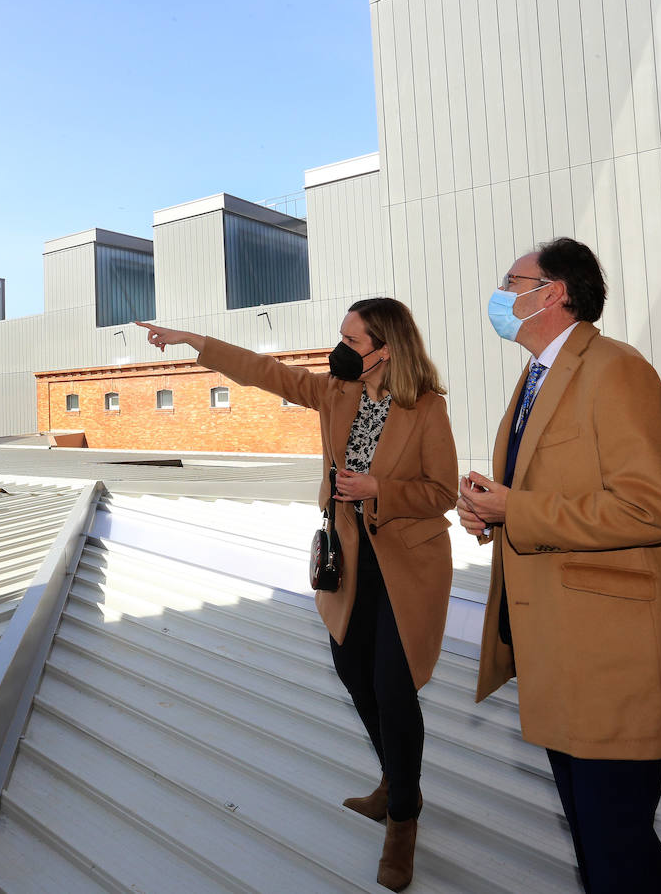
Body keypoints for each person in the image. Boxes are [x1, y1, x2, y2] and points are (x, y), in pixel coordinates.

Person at [137, 299, 457, 892]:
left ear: (385, 348)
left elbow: (441, 493)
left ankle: (404, 820)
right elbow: (265, 372)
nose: (338, 349)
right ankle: (393, 780)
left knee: (393, 683)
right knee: (352, 668)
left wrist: (378, 487)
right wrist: (192, 340)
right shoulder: (337, 391)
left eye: (351, 340)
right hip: (352, 560)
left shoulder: (425, 408)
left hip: (409, 565)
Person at [455, 237, 661, 893]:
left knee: (618, 849)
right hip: (562, 657)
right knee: (598, 851)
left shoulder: (617, 370)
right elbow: (552, 496)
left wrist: (523, 508)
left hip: (612, 662)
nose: (501, 295)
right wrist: (494, 513)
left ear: (554, 293)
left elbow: (653, 510)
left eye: (512, 281)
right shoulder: (539, 374)